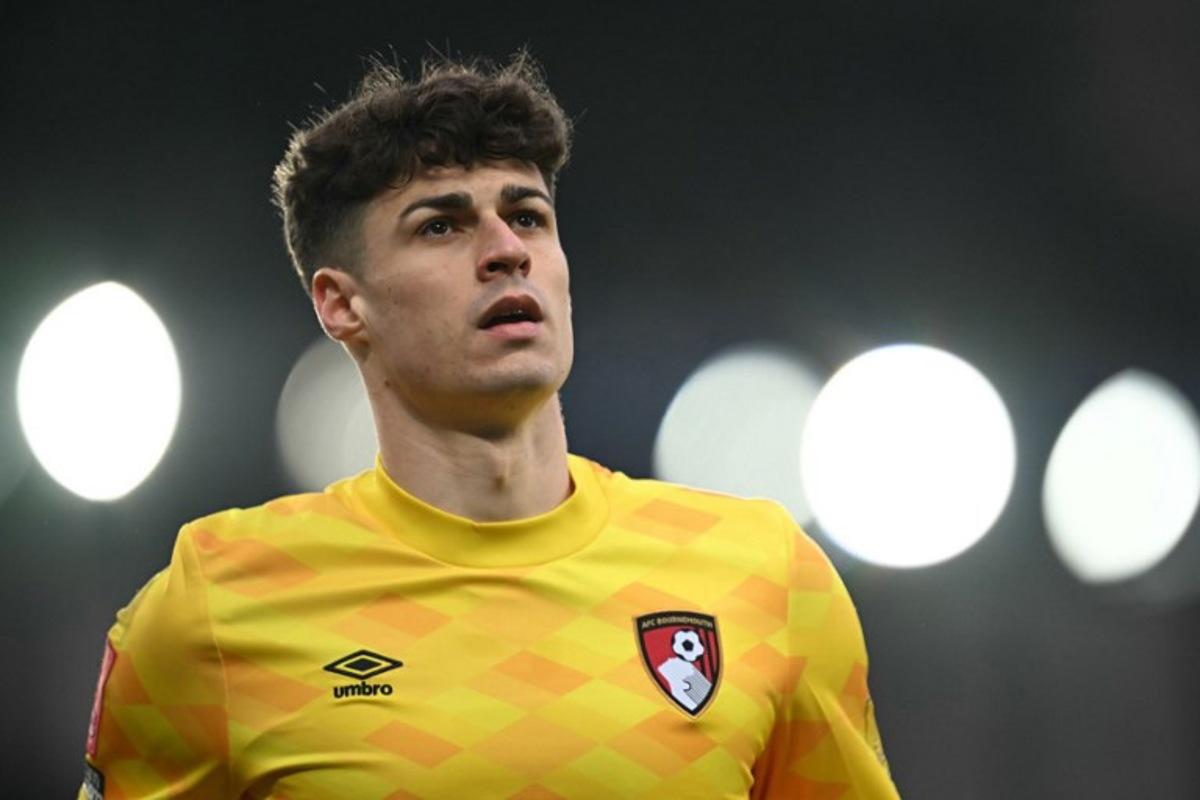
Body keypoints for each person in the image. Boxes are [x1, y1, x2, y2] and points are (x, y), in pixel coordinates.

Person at [79, 53, 900, 799]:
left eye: (529, 216)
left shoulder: (764, 575)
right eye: (441, 225)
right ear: (341, 304)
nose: (507, 250)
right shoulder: (217, 605)